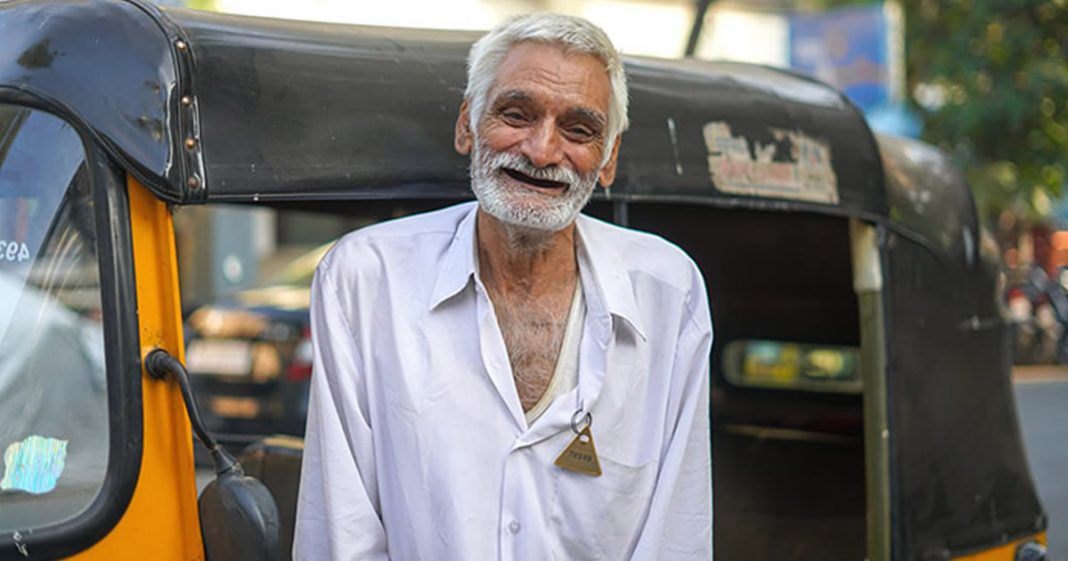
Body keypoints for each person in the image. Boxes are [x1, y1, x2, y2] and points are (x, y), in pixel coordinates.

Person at [294, 12, 713, 561]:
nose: (541, 151)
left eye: (579, 129)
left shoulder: (668, 293)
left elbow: (675, 535)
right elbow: (342, 532)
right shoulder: (366, 280)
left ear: (608, 159)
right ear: (467, 125)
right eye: (517, 114)